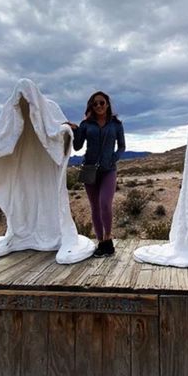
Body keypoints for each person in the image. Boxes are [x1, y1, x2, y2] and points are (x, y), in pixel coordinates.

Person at [66, 91, 127, 257]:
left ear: (107, 104)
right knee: (94, 207)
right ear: (91, 107)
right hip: (89, 169)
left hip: (109, 170)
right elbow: (77, 147)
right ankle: (101, 243)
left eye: (102, 102)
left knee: (105, 204)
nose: (99, 106)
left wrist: (113, 158)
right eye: (95, 104)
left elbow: (122, 146)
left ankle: (108, 239)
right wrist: (76, 130)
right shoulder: (87, 124)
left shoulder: (116, 124)